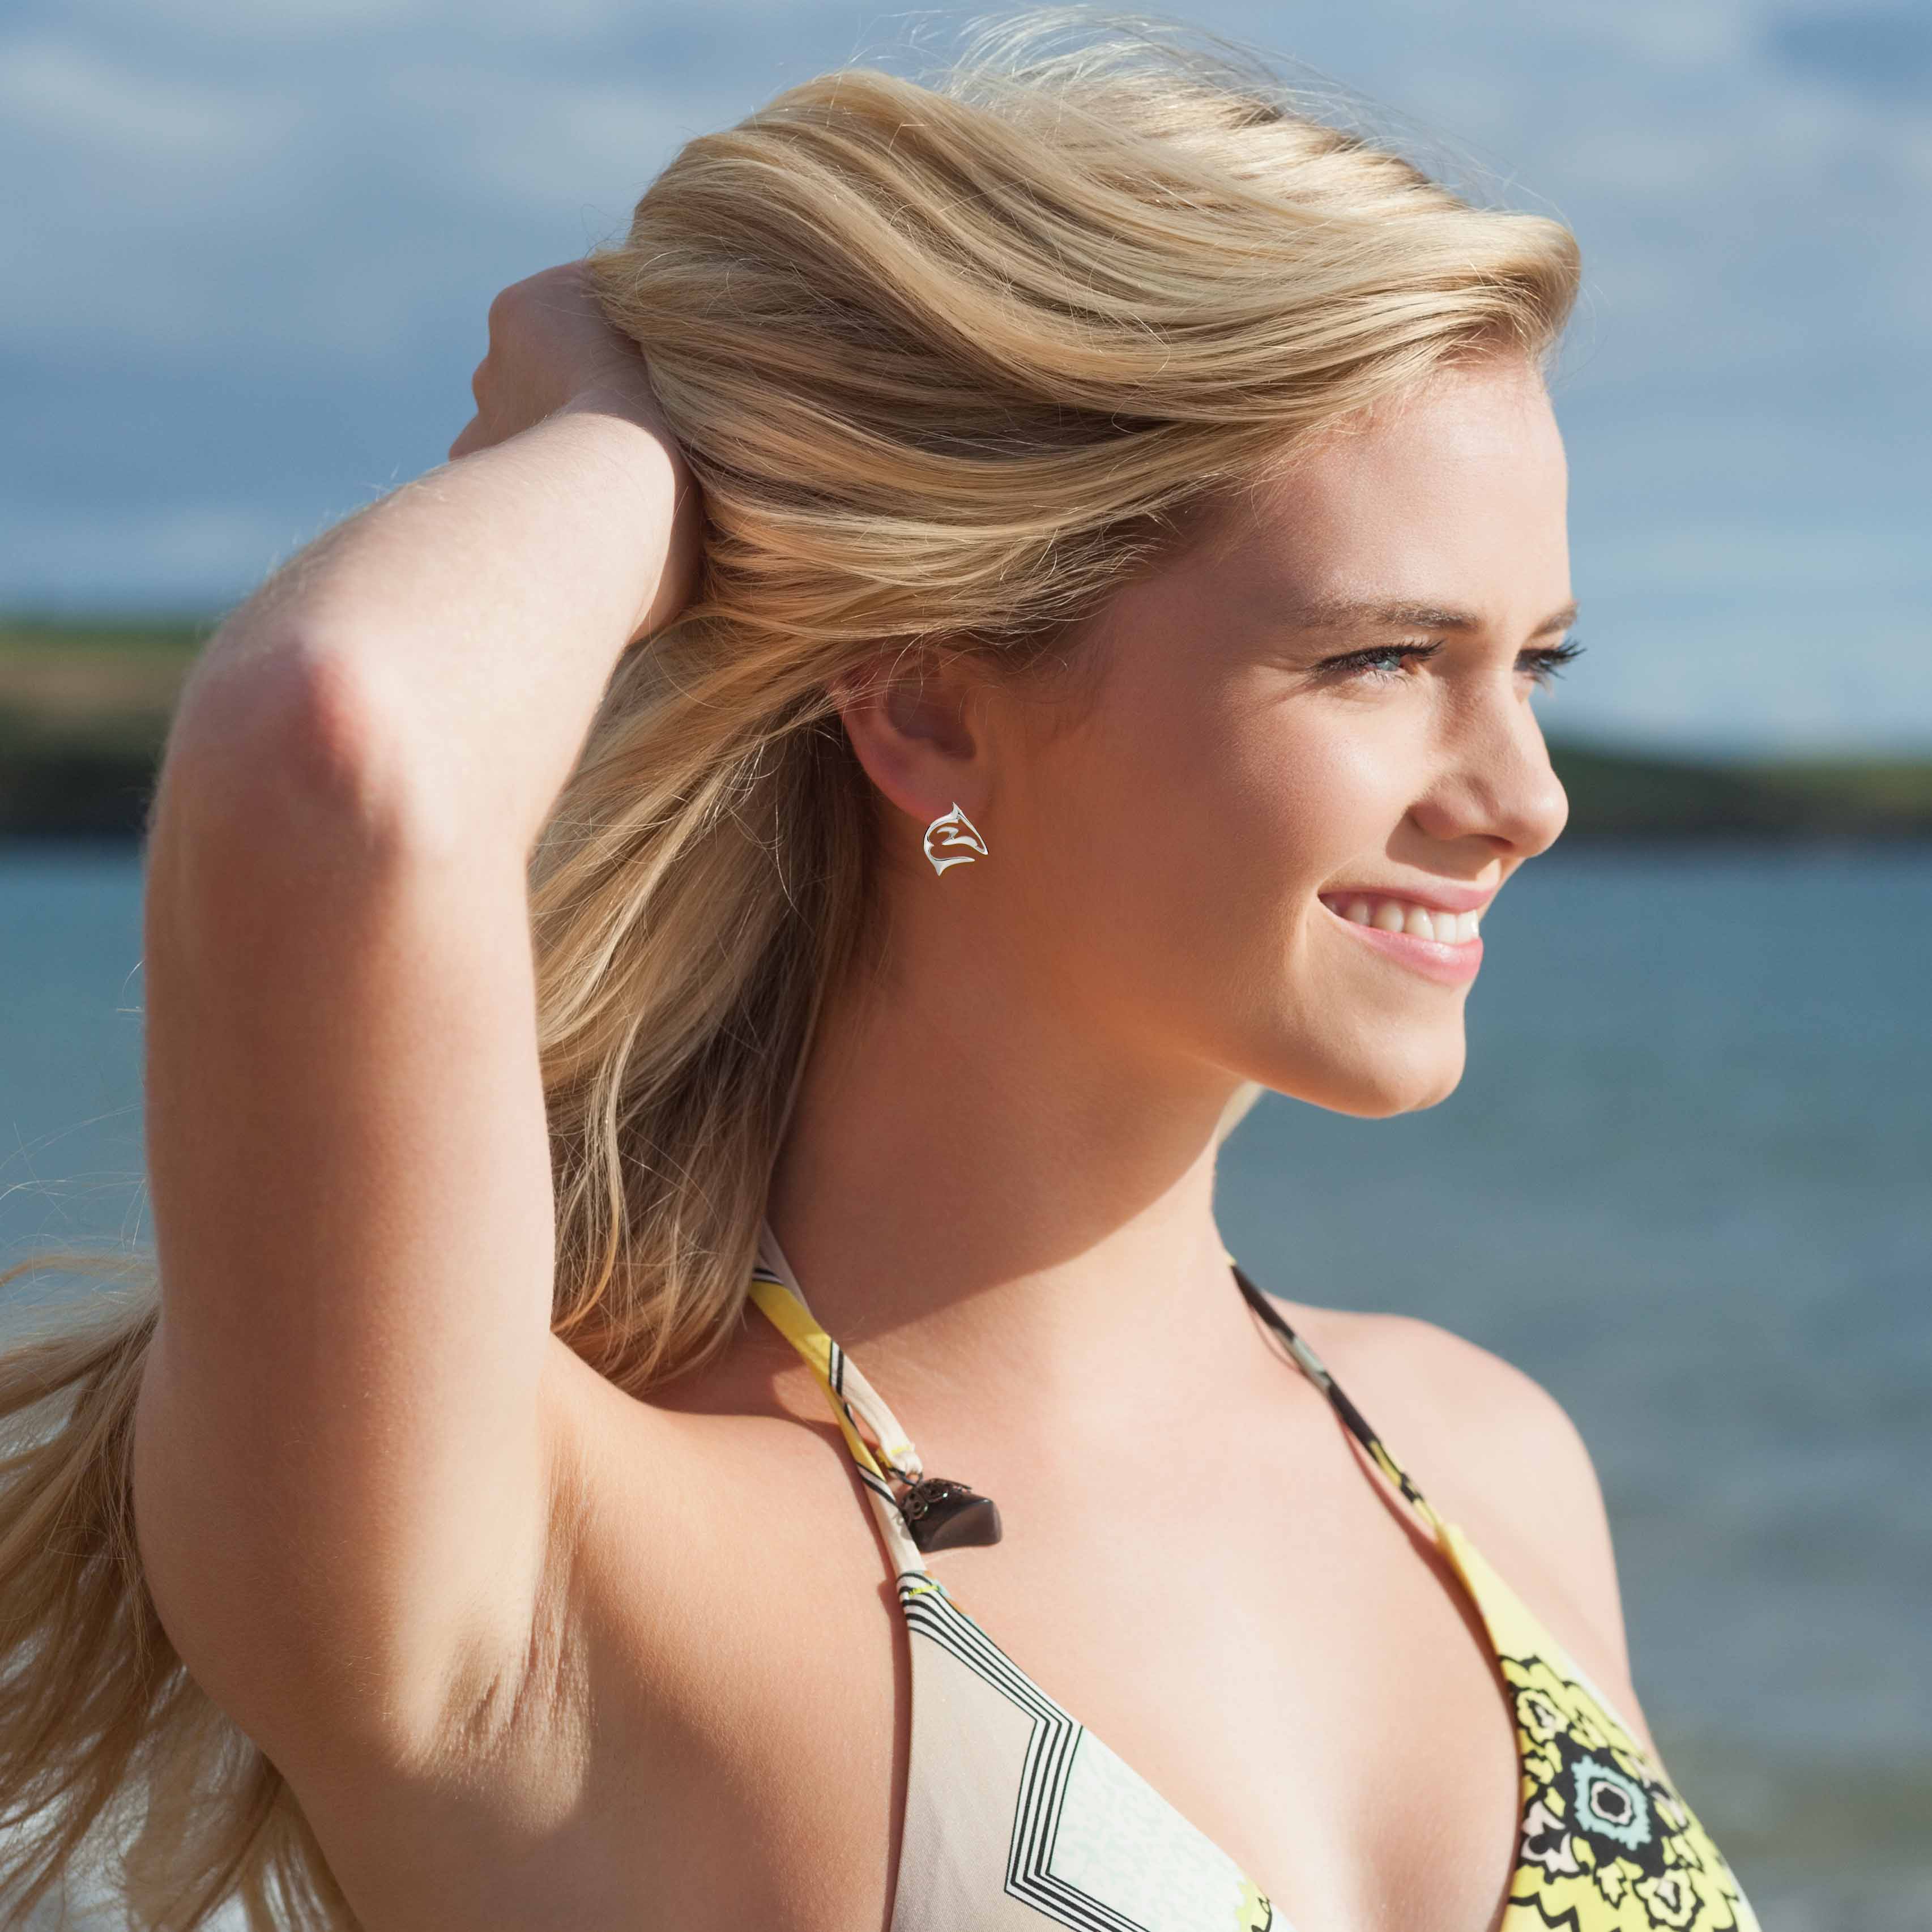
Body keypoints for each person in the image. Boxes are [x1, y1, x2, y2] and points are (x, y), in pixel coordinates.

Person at [0, 15, 1762, 1931]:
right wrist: (601, 421)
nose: (1525, 796)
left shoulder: (1479, 1456)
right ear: (926, 708)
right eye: (1381, 660)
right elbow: (339, 750)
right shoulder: (543, 1568)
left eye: (1540, 664)